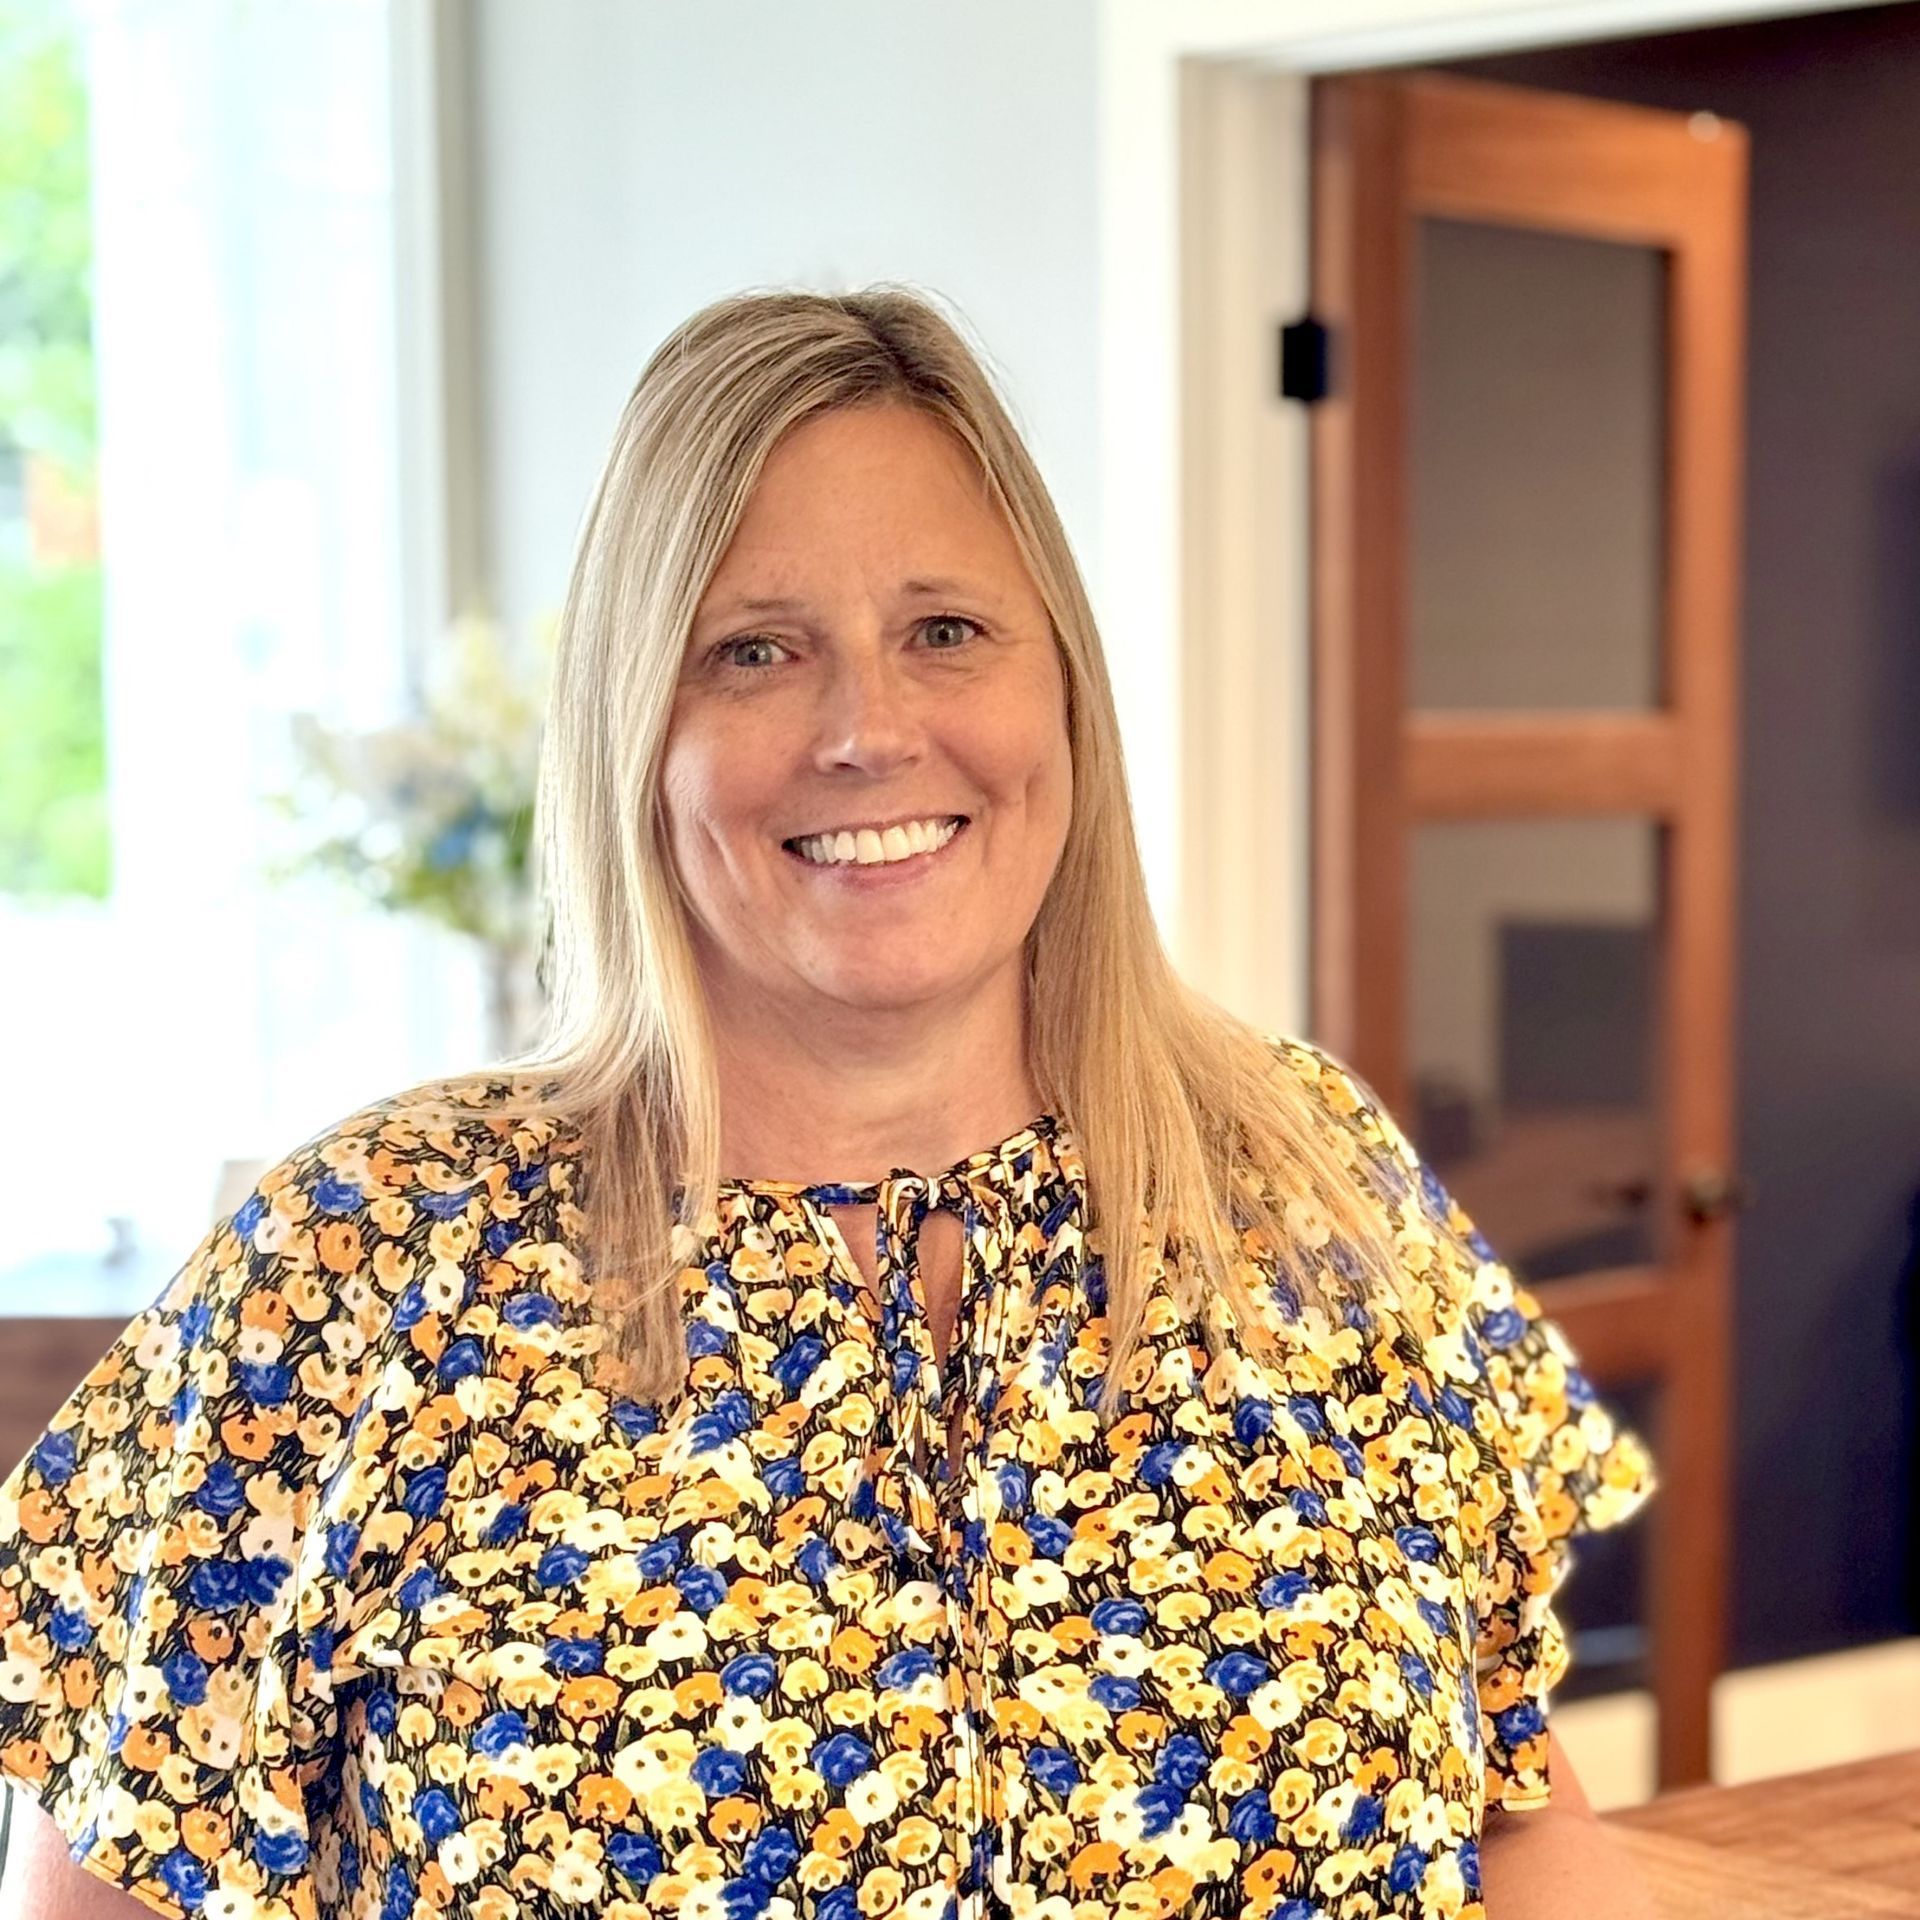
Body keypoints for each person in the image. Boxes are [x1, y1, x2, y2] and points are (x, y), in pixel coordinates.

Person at [0, 287, 1661, 1920]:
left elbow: (1520, 1816)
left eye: (946, 631)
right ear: (638, 730)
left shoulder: (1307, 1173)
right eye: (755, 651)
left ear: (1063, 688)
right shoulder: (356, 1263)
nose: (869, 730)